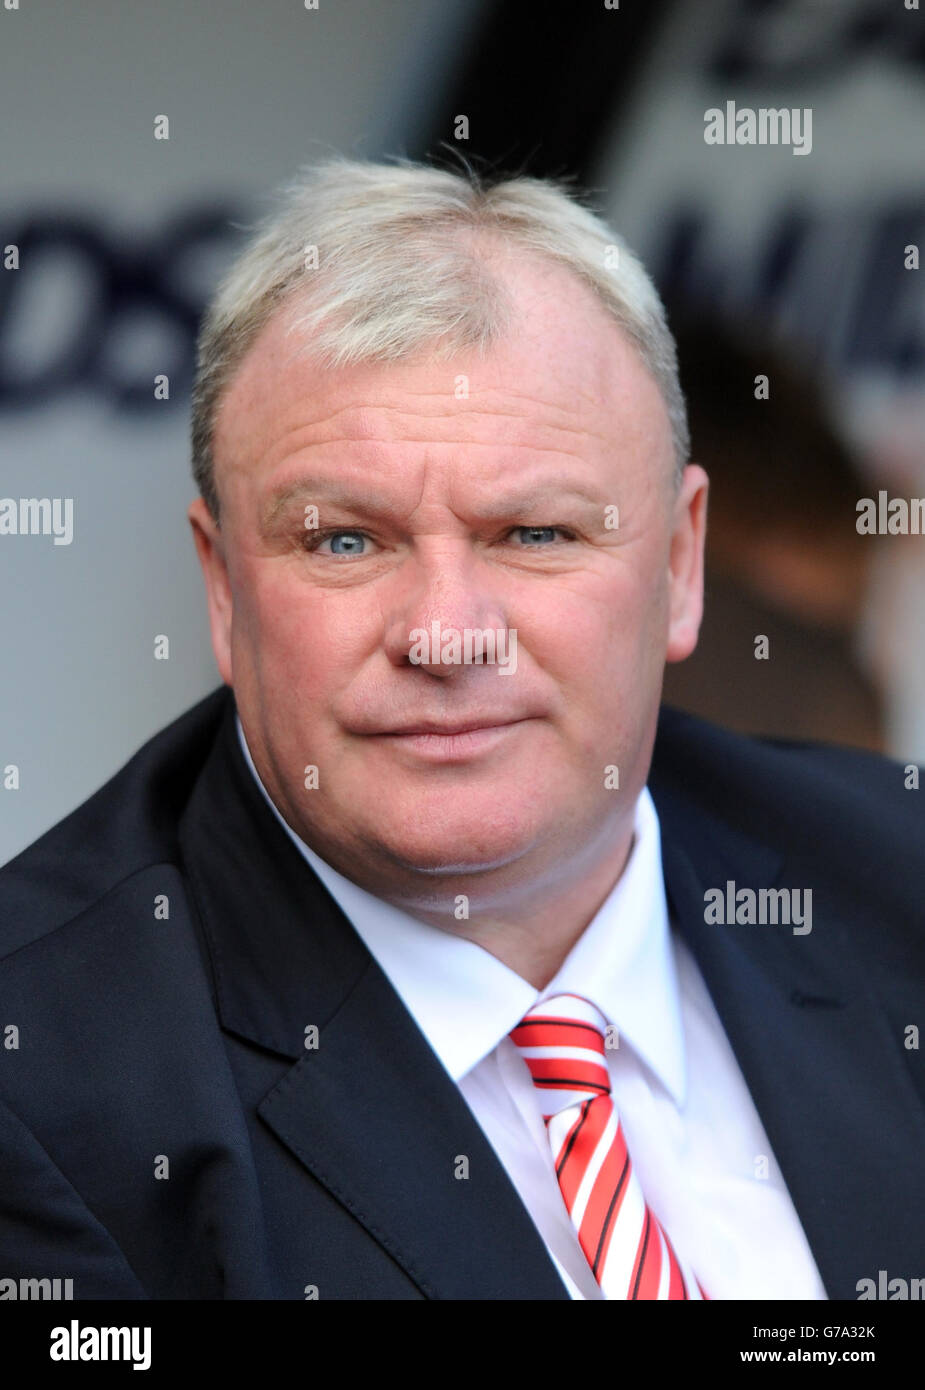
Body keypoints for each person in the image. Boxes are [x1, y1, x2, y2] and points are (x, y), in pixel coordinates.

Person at [1, 157, 922, 1302]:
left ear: (680, 565)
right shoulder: (39, 1076)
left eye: (534, 533)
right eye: (345, 540)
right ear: (224, 588)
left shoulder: (896, 876)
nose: (446, 635)